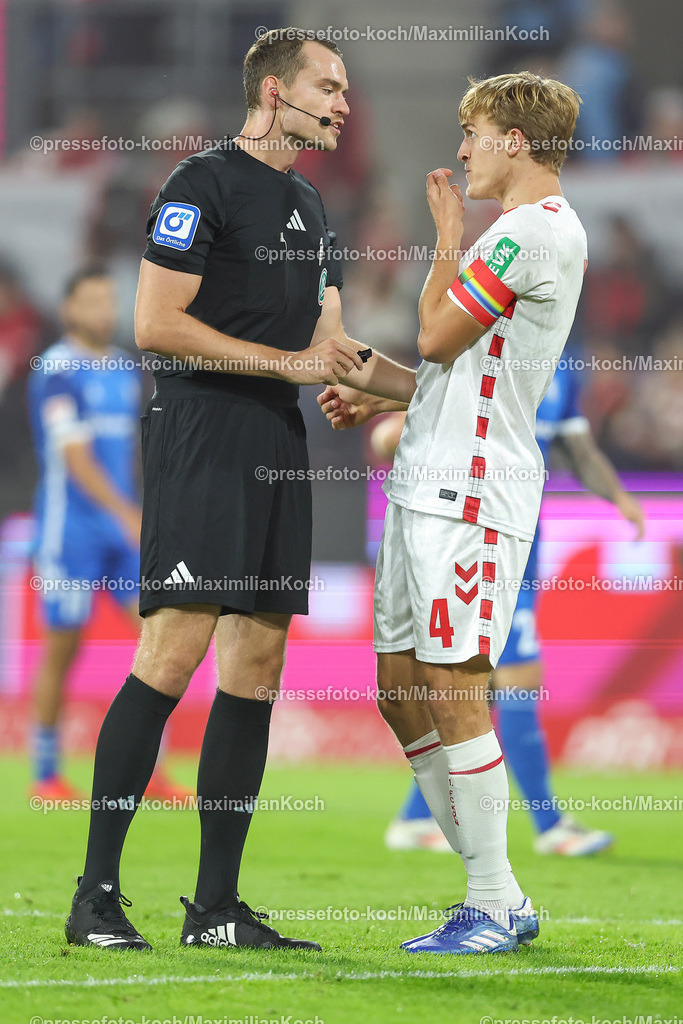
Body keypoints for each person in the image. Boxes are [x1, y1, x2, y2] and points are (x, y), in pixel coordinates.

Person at [64, 30, 415, 952]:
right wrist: (292, 361)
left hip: (274, 435)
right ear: (271, 92)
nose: (343, 103)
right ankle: (94, 893)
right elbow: (153, 324)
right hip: (202, 430)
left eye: (342, 89)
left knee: (257, 667)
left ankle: (215, 908)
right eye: (326, 86)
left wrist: (353, 380)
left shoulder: (308, 201)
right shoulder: (200, 183)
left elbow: (329, 332)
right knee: (172, 655)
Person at [319, 72, 586, 953]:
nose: (460, 150)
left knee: (454, 687)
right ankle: (495, 891)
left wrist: (445, 239)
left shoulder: (528, 235)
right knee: (399, 692)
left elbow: (435, 335)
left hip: (472, 496)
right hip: (425, 482)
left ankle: (493, 899)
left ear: (514, 139)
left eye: (470, 133)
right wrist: (379, 390)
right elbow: (444, 372)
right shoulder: (511, 238)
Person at [381, 359, 645, 855]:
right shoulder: (479, 345)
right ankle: (550, 825)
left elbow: (578, 450)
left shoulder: (563, 368)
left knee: (489, 683)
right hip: (480, 539)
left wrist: (620, 499)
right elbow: (396, 432)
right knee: (516, 678)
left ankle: (417, 818)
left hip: (526, 540)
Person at [27, 266, 187, 802]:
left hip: (122, 530)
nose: (103, 311)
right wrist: (126, 512)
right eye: (91, 301)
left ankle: (153, 771)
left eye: (108, 300)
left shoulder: (123, 368)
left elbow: (129, 454)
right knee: (62, 649)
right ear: (69, 309)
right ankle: (46, 773)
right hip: (70, 533)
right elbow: (75, 458)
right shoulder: (55, 369)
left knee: (156, 638)